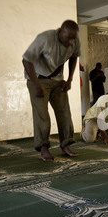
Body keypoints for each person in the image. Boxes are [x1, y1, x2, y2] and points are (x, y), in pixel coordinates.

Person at [22, 20, 80, 161]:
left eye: (74, 38)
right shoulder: (45, 38)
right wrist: (37, 85)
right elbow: (26, 60)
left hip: (57, 80)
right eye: (68, 38)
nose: (71, 42)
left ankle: (65, 144)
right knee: (42, 116)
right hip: (38, 79)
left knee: (64, 113)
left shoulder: (74, 41)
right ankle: (43, 148)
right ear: (60, 32)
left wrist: (69, 80)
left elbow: (73, 58)